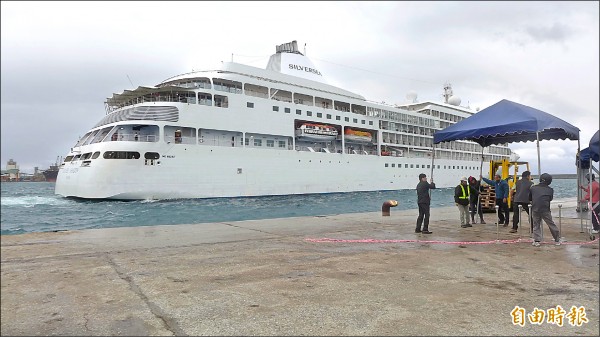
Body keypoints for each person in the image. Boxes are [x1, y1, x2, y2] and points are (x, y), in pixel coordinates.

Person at [529, 173, 561, 246]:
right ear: (549, 181)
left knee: (536, 224)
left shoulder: (533, 188)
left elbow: (530, 198)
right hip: (545, 209)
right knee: (551, 224)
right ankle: (557, 239)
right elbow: (550, 199)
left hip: (535, 208)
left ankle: (537, 240)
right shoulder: (550, 190)